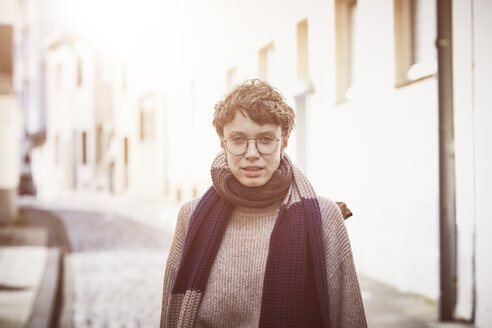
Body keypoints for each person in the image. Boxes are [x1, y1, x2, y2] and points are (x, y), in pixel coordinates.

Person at [160, 79, 367, 328]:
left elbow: (349, 317)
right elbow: (171, 315)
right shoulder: (191, 216)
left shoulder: (324, 218)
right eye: (238, 139)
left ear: (284, 143)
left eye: (266, 139)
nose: (252, 153)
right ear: (222, 143)